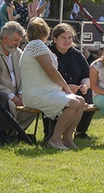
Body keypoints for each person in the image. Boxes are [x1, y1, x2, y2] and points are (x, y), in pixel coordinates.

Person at [19, 18, 85, 150]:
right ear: (46, 31)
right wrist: (66, 87)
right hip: (37, 94)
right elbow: (51, 71)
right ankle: (54, 139)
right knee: (73, 103)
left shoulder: (36, 45)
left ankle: (67, 138)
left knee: (81, 101)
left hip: (48, 91)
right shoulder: (36, 45)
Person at [47, 23, 94, 141]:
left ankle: (80, 131)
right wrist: (65, 87)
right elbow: (46, 77)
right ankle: (51, 132)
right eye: (63, 38)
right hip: (55, 90)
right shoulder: (48, 53)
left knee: (88, 93)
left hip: (76, 90)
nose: (67, 41)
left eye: (69, 38)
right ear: (55, 39)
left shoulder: (77, 54)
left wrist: (84, 85)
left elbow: (87, 76)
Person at [0, 21, 37, 143]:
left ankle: (14, 133)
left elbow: (26, 75)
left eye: (20, 41)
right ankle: (7, 134)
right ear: (6, 38)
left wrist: (22, 93)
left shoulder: (18, 53)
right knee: (8, 103)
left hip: (18, 93)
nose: (18, 44)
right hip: (2, 94)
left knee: (35, 102)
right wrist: (12, 96)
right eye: (16, 40)